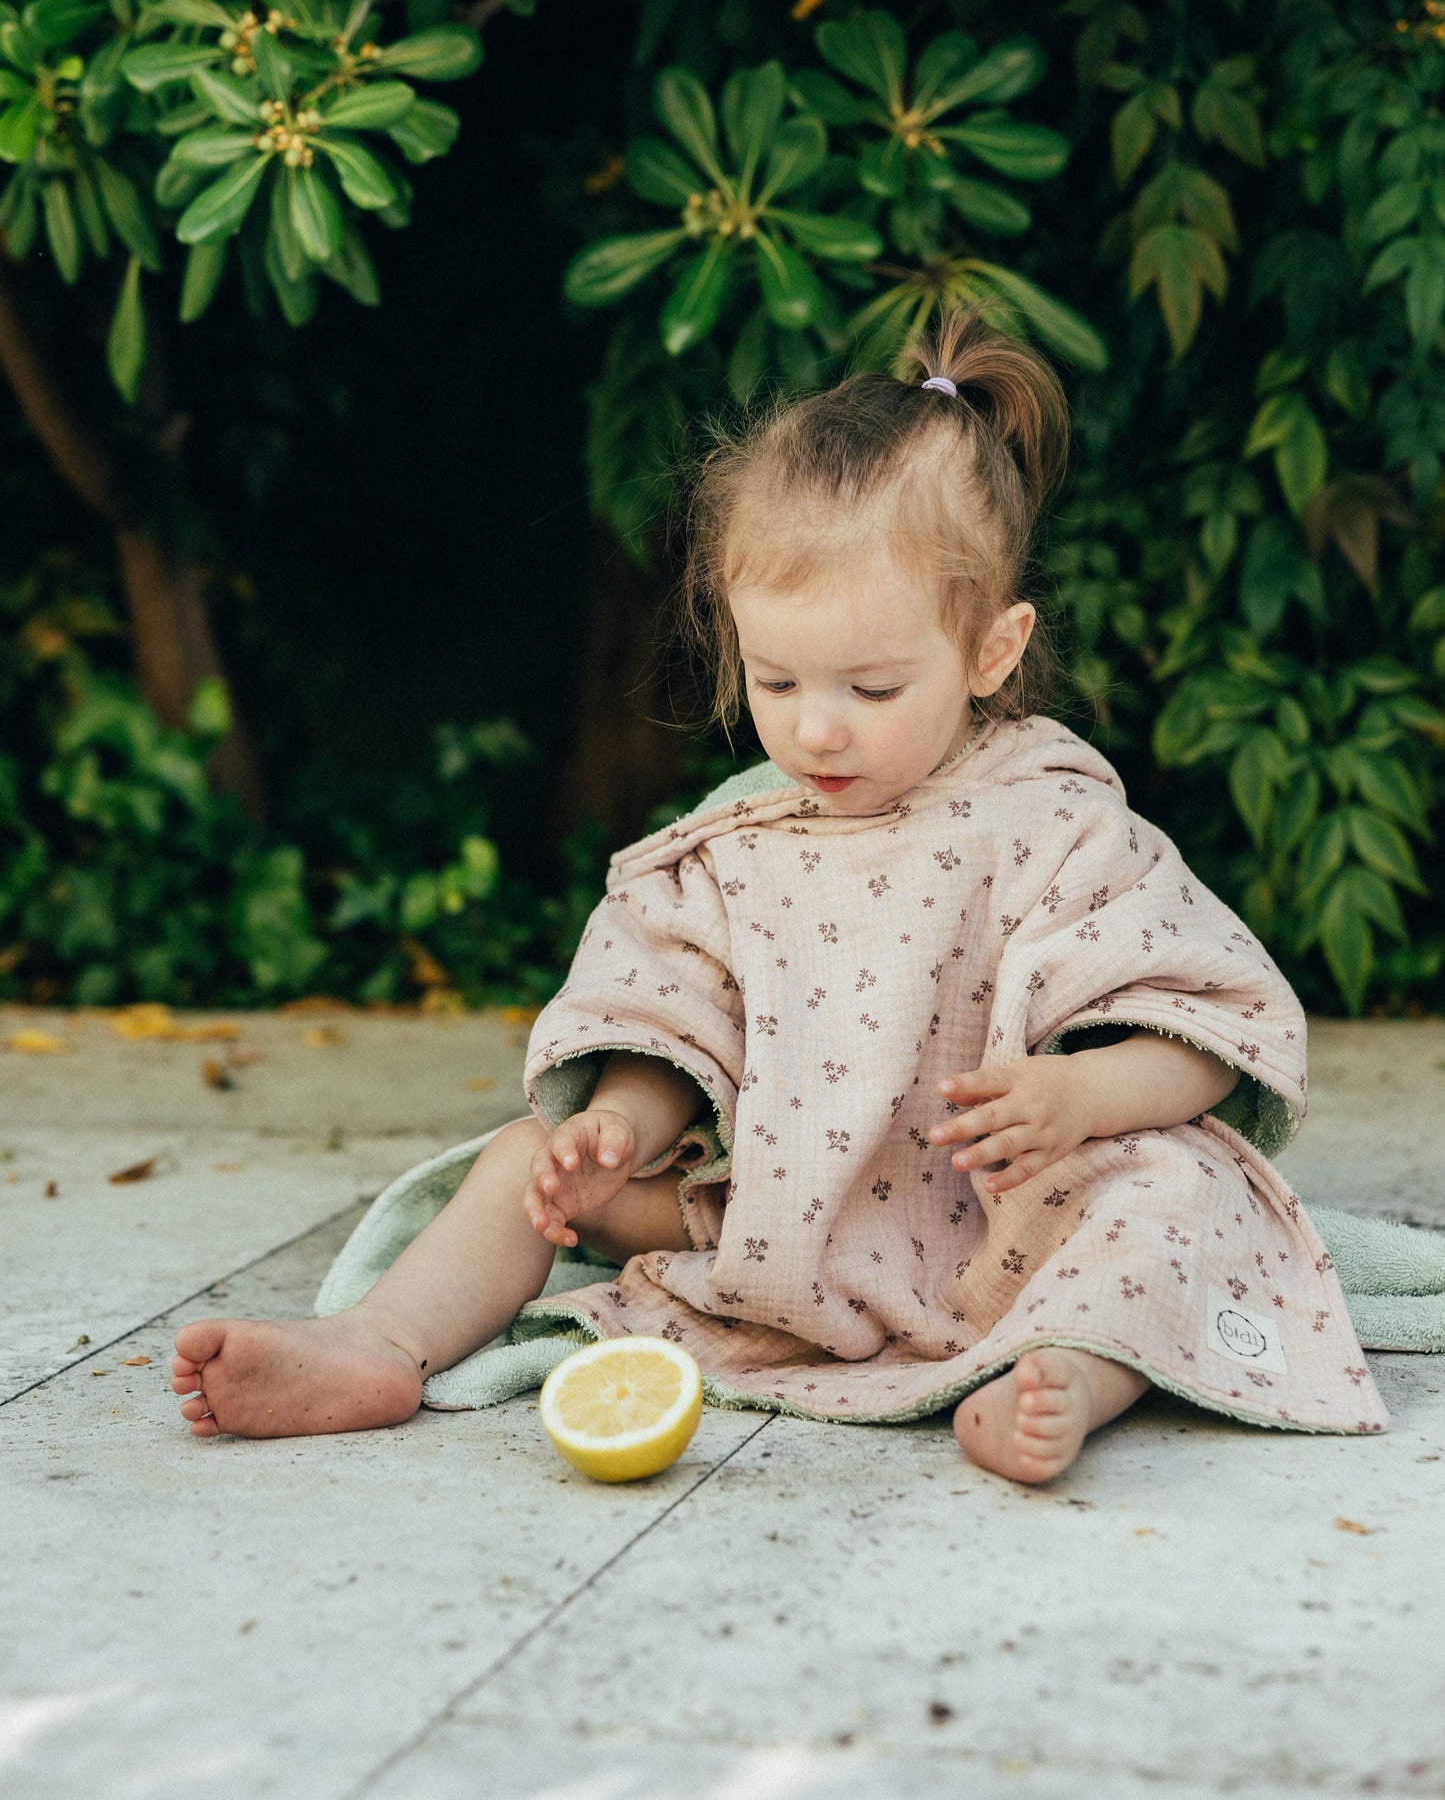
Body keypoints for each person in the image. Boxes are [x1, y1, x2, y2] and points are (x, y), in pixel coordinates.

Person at [172, 311, 1386, 1480]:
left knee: (1172, 1189)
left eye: (869, 685)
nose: (815, 725)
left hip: (1001, 1236)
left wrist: (1078, 1091)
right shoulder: (739, 837)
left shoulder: (1053, 815)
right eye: (775, 676)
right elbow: (673, 1020)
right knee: (526, 1155)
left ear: (989, 651)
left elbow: (1211, 1030)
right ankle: (384, 1342)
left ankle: (1058, 1371)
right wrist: (624, 1131)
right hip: (773, 1226)